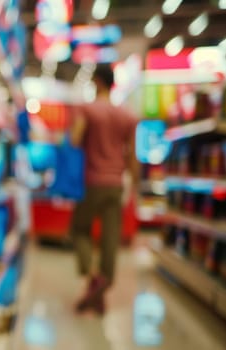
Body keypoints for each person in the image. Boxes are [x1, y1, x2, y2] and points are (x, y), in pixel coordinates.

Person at [69, 64, 139, 314]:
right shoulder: (128, 116)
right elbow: (132, 155)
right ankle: (102, 287)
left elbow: (75, 140)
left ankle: (92, 274)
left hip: (91, 182)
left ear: (97, 81)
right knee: (111, 238)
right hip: (116, 184)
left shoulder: (87, 110)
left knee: (79, 229)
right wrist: (135, 185)